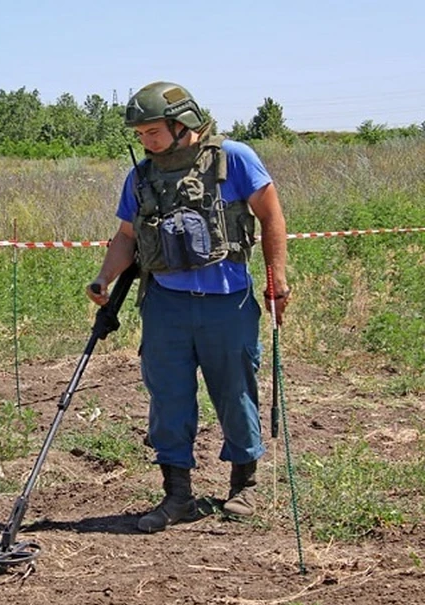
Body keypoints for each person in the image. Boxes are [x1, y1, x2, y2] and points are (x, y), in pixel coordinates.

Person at [86, 81, 291, 533]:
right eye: (139, 135)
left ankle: (244, 485)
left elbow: (271, 215)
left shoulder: (233, 158)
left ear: (184, 124)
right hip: (165, 305)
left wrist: (277, 279)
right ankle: (177, 494)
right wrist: (105, 277)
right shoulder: (140, 177)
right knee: (169, 398)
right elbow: (126, 236)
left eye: (153, 132)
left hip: (227, 304)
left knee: (235, 392)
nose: (146, 142)